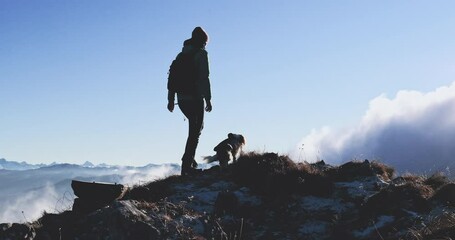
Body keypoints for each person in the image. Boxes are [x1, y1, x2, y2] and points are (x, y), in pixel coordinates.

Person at [167, 27, 212, 176]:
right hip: (195, 97)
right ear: (203, 41)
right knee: (196, 131)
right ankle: (187, 166)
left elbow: (172, 78)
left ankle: (189, 161)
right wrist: (208, 99)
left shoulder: (181, 55)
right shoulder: (201, 54)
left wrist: (171, 100)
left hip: (182, 99)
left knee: (194, 129)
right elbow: (204, 78)